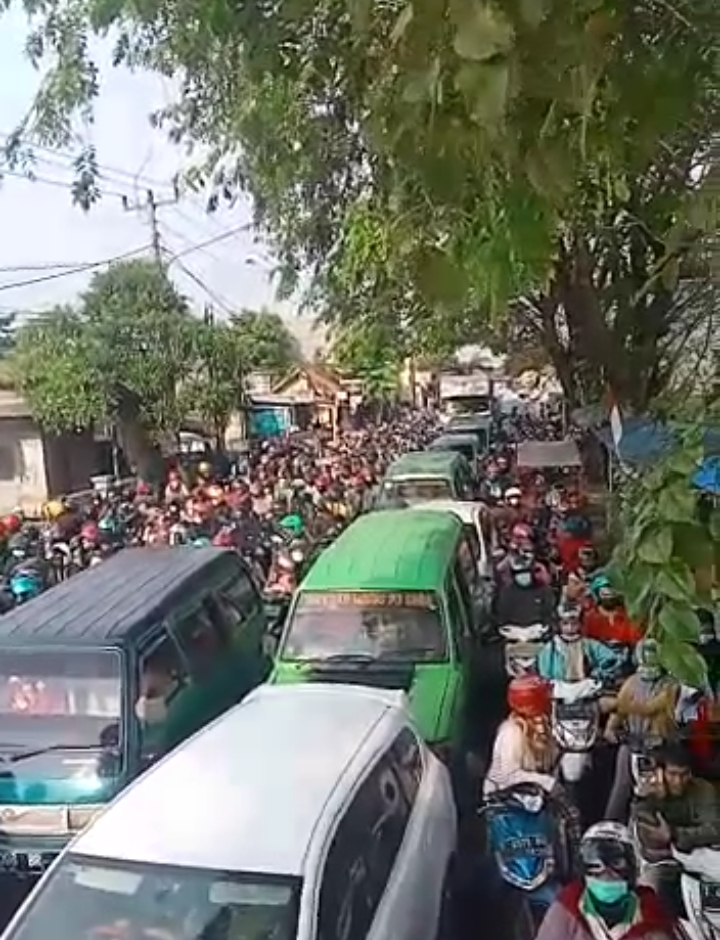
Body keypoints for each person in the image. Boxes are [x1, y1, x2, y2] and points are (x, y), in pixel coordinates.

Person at [535, 821, 676, 940]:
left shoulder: (653, 917)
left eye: (616, 864)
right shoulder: (565, 912)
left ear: (632, 868)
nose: (606, 875)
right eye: (595, 866)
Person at [634, 742, 720, 912]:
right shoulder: (647, 793)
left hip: (701, 858)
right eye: (672, 774)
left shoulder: (704, 789)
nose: (679, 781)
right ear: (661, 772)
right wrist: (645, 800)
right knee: (648, 893)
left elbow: (715, 830)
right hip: (661, 861)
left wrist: (675, 833)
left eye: (684, 774)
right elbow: (650, 837)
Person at [603, 639, 679, 821]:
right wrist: (610, 728)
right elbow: (620, 711)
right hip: (631, 742)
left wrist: (614, 704)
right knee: (620, 788)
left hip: (659, 745)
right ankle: (609, 826)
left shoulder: (670, 684)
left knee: (659, 790)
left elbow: (649, 708)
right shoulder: (631, 681)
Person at [537, 601, 624, 686]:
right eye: (565, 623)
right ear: (558, 625)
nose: (570, 628)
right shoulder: (550, 648)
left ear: (580, 624)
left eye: (574, 623)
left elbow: (612, 659)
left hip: (586, 686)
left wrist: (599, 673)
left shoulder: (589, 644)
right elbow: (544, 675)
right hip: (559, 688)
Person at [584, 575, 643, 646]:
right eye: (605, 595)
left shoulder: (628, 615)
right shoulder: (590, 618)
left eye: (612, 594)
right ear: (598, 595)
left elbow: (637, 640)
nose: (609, 598)